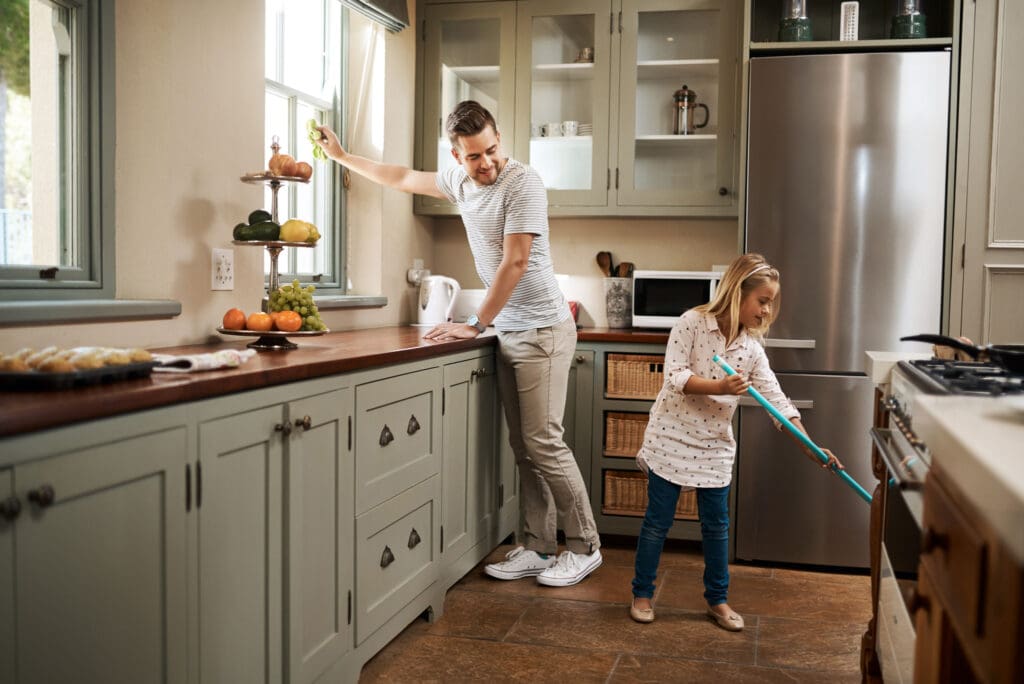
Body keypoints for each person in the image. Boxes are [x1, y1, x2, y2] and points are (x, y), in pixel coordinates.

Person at [314, 100, 602, 587]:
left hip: (543, 329)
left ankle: (584, 545)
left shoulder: (523, 183)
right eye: (473, 157)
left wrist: (473, 322)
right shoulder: (458, 182)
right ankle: (537, 544)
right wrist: (342, 157)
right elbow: (401, 176)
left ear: (499, 138)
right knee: (524, 446)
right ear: (455, 155)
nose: (486, 163)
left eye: (491, 150)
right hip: (509, 329)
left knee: (545, 443)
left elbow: (515, 262)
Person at [627, 253, 844, 629]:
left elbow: (778, 402)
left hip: (714, 444)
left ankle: (718, 600)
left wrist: (810, 446)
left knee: (716, 527)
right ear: (736, 293)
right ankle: (642, 593)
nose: (766, 311)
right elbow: (675, 377)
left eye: (770, 303)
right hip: (671, 436)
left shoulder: (751, 351)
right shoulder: (691, 323)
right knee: (657, 523)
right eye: (762, 300)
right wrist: (720, 386)